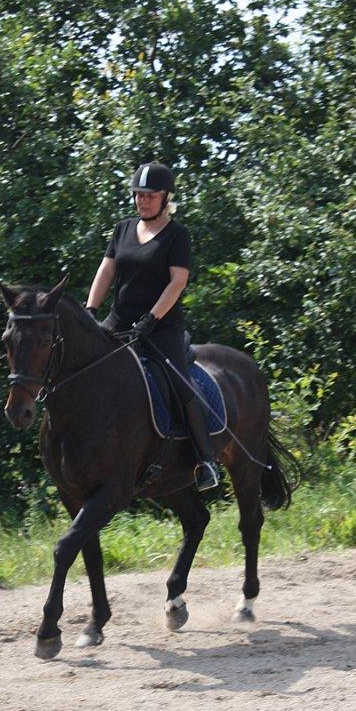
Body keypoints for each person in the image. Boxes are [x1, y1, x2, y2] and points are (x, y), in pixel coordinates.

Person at [85, 162, 220, 491]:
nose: (142, 201)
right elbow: (106, 272)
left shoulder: (177, 235)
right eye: (138, 195)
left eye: (149, 195)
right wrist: (91, 309)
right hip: (119, 320)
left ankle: (206, 461)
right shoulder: (123, 229)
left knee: (179, 383)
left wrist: (151, 319)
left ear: (166, 197)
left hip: (162, 326)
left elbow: (177, 283)